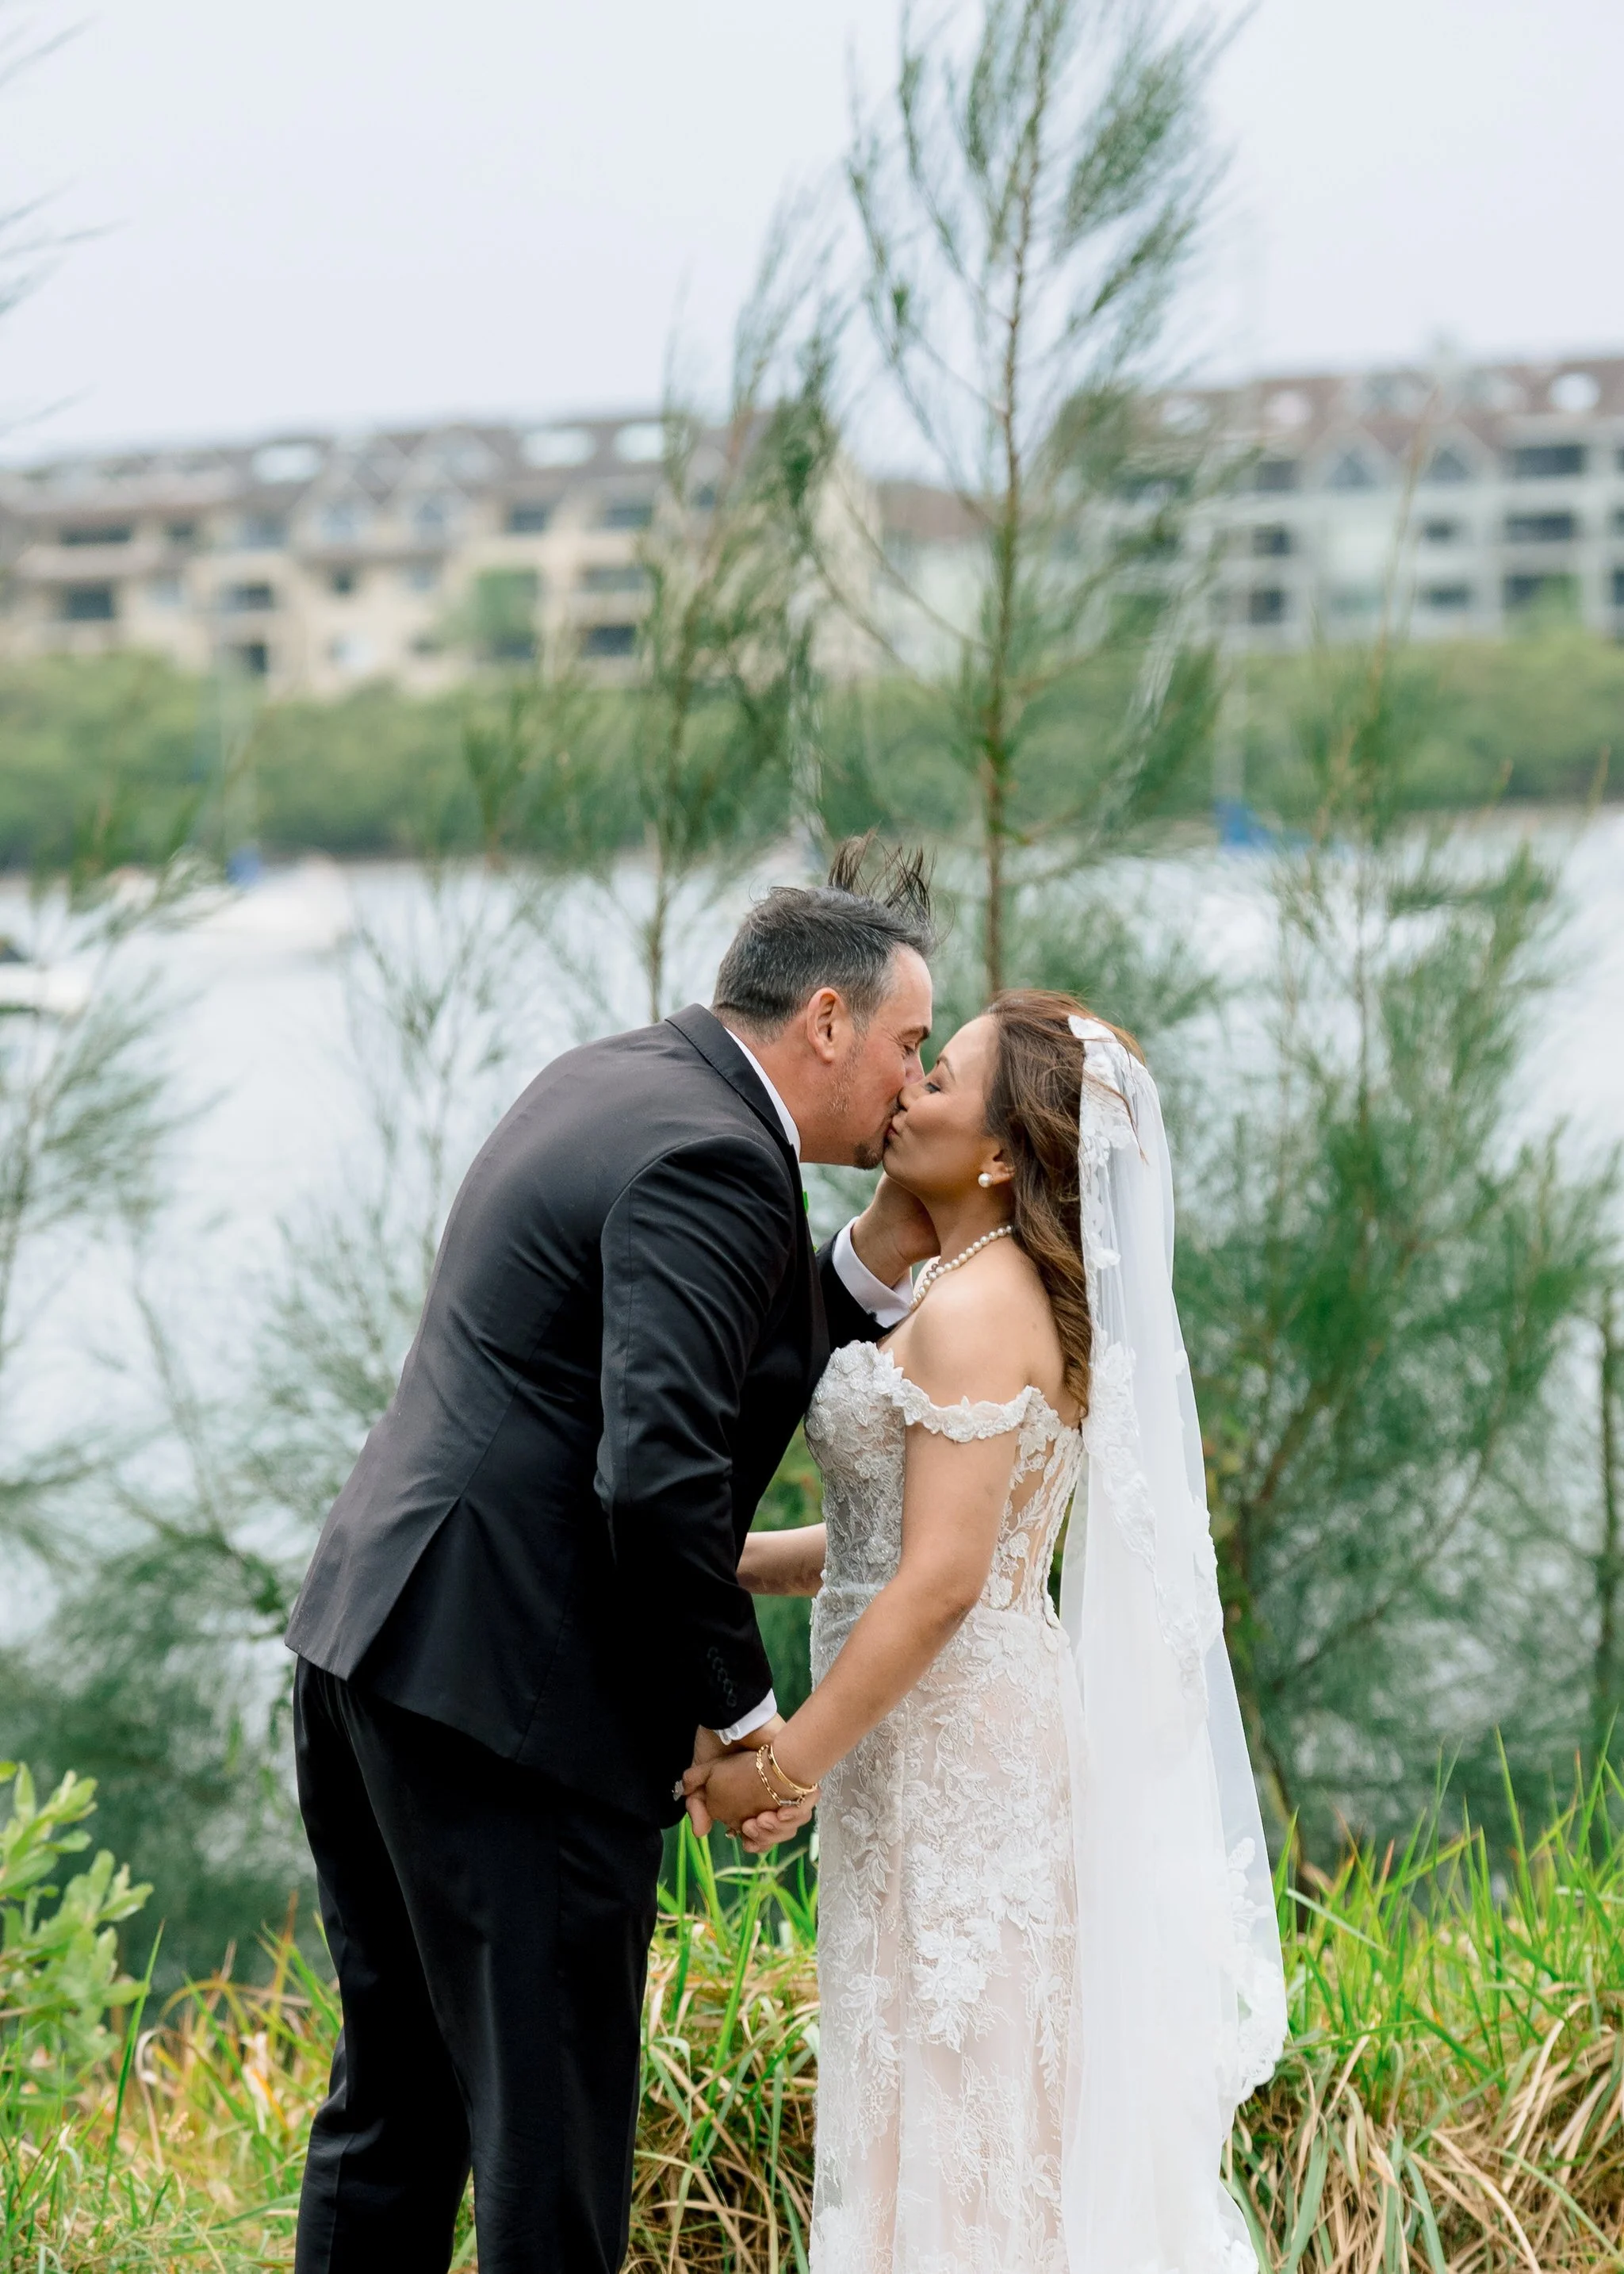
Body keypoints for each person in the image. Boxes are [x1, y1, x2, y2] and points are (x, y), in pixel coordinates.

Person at [282, 846, 941, 2274]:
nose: (913, 1078)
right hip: (517, 1706)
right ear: (824, 1019)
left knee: (394, 2112)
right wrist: (754, 1720)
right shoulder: (716, 1156)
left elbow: (703, 1364)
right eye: (907, 1042)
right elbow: (655, 1476)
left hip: (376, 1642)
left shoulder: (618, 1080)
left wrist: (870, 1267)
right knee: (553, 2151)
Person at [688, 991, 1289, 2274]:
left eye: (938, 1079)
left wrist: (789, 1762)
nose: (904, 1094)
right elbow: (892, 1546)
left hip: (958, 1748)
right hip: (937, 1724)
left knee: (963, 2090)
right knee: (938, 2078)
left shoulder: (974, 1310)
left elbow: (944, 1580)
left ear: (1005, 1152)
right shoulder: (971, 1288)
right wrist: (714, 1561)